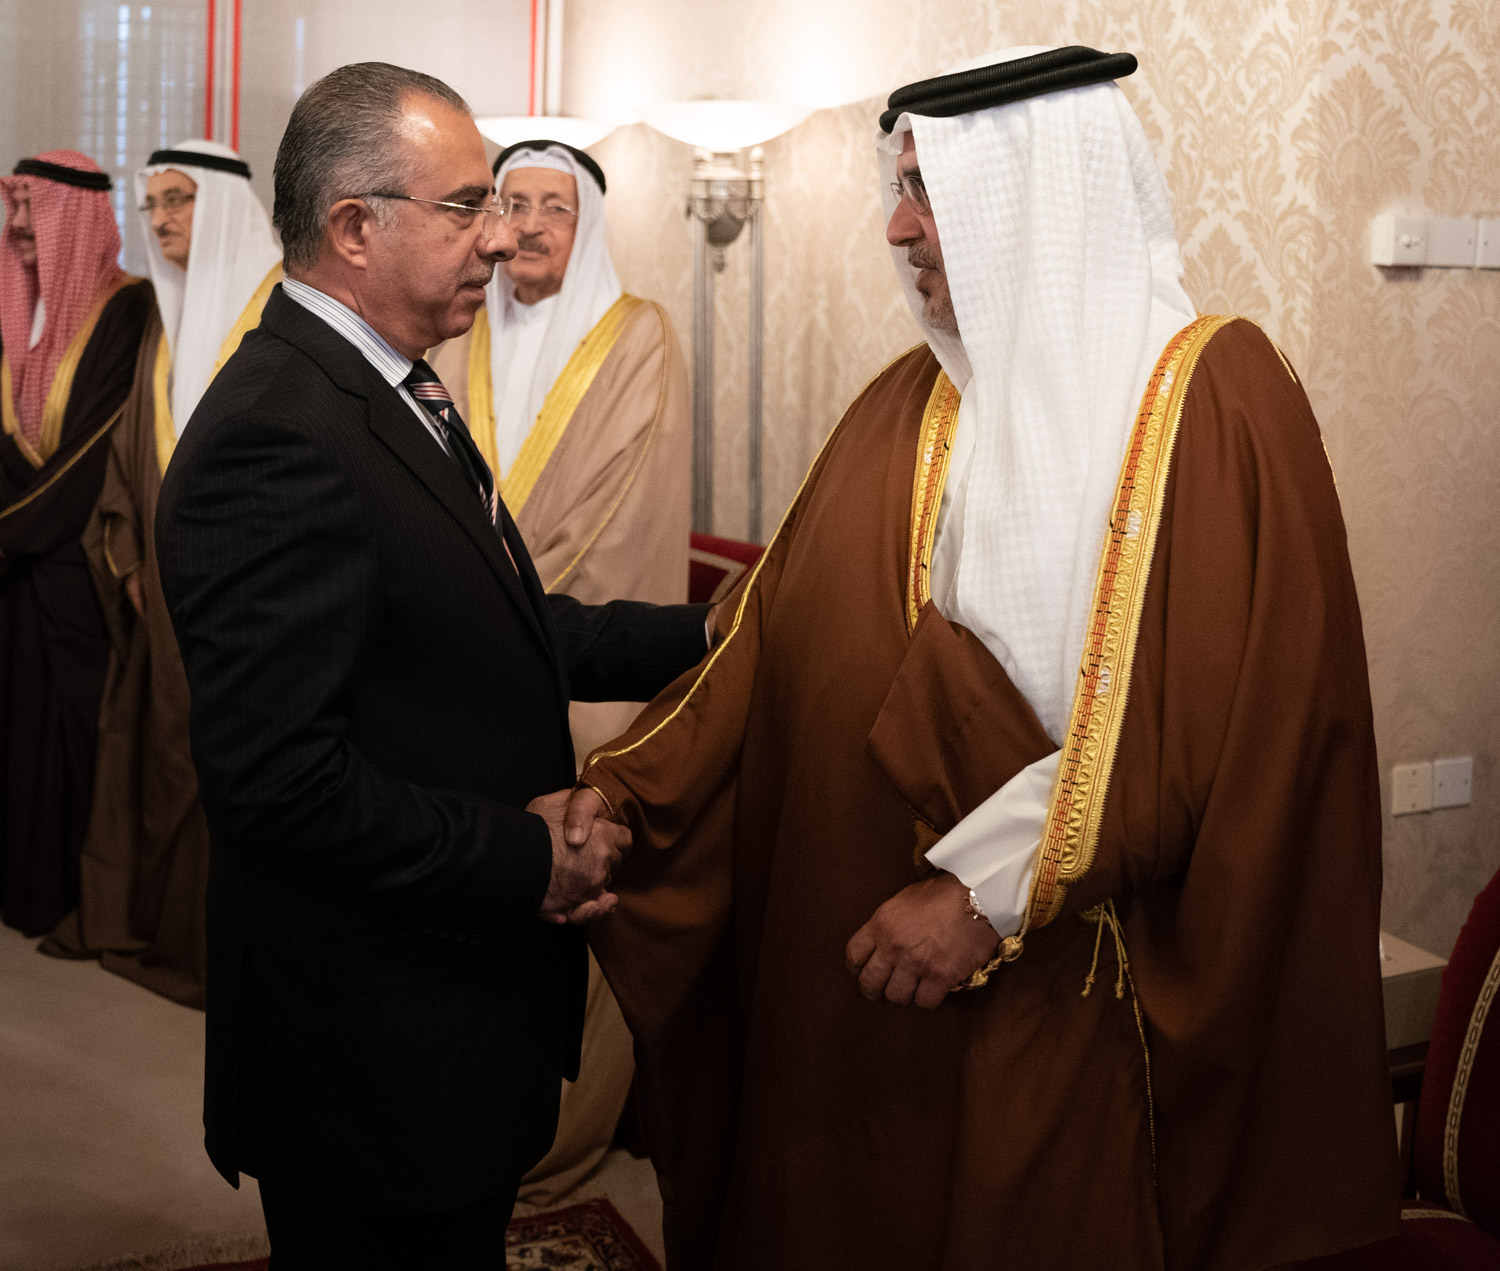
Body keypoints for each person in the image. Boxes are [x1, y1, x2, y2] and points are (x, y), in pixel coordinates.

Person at [567, 45, 1399, 1270]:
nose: (897, 227)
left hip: (1080, 988)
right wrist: (625, 796)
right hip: (868, 990)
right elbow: (765, 639)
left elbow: (1235, 725)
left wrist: (983, 894)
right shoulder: (907, 400)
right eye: (898, 187)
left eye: (931, 190)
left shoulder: (1213, 395)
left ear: (1040, 194)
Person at [153, 63, 710, 1268]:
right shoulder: (279, 432)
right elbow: (279, 785)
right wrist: (529, 858)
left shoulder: (390, 383)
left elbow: (489, 620)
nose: (501, 237)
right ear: (355, 227)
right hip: (371, 1048)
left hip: (445, 1018)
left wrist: (707, 633)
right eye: (467, 206)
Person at [429, 137, 691, 1204]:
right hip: (453, 663)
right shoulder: (456, 328)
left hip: (581, 682)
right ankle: (465, 1101)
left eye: (554, 207)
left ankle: (555, 1128)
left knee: (574, 882)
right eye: (513, 202)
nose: (530, 225)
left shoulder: (638, 336)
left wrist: (487, 606)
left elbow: (619, 518)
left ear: (588, 226)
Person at [46, 141, 281, 1005]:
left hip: (251, 605)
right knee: (158, 755)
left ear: (222, 203)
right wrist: (131, 561)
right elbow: (128, 457)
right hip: (160, 596)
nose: (163, 219)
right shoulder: (161, 317)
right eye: (152, 204)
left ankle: (216, 947)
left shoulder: (277, 315)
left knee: (227, 766)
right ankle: (155, 923)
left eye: (179, 198)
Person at [0, 152, 154, 937]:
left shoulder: (129, 309)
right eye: (13, 208)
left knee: (73, 726)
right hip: (18, 564)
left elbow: (94, 448)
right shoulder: (13, 308)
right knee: (17, 723)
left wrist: (10, 532)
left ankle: (69, 896)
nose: (18, 226)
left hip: (75, 560)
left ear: (75, 215)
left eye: (32, 208)